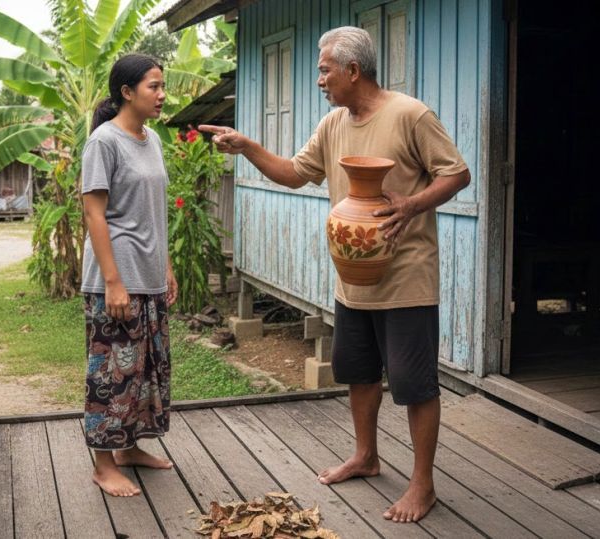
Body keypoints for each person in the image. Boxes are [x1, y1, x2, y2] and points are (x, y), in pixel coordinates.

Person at [200, 26, 470, 523]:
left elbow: (456, 173)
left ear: (353, 70)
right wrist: (247, 146)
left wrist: (410, 205)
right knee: (359, 372)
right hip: (354, 278)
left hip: (407, 278)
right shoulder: (332, 125)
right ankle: (366, 456)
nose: (320, 79)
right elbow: (294, 173)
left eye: (325, 69)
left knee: (414, 384)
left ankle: (423, 484)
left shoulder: (410, 114)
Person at [81, 54, 178, 497]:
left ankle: (129, 448)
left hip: (149, 274)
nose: (161, 95)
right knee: (111, 373)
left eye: (162, 86)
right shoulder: (104, 141)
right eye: (153, 87)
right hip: (116, 278)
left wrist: (167, 265)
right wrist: (113, 281)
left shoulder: (151, 139)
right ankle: (103, 465)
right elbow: (94, 213)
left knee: (144, 371)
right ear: (127, 91)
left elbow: (153, 210)